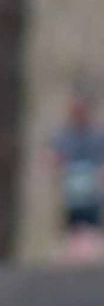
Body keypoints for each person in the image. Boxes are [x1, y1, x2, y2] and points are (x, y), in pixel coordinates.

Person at [53, 83, 104, 263]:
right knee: (74, 229)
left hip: (91, 190)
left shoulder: (97, 135)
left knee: (90, 228)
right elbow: (56, 157)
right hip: (72, 190)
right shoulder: (65, 135)